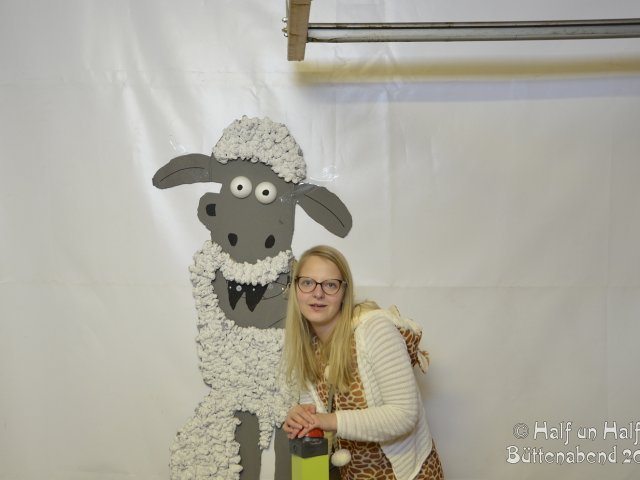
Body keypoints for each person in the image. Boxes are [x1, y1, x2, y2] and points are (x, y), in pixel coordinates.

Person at [282, 245, 444, 480]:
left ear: (344, 292)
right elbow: (317, 418)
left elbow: (405, 414)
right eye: (307, 282)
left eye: (330, 285)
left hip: (408, 475)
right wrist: (302, 416)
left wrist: (327, 420)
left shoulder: (375, 329)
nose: (318, 293)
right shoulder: (307, 346)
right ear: (296, 288)